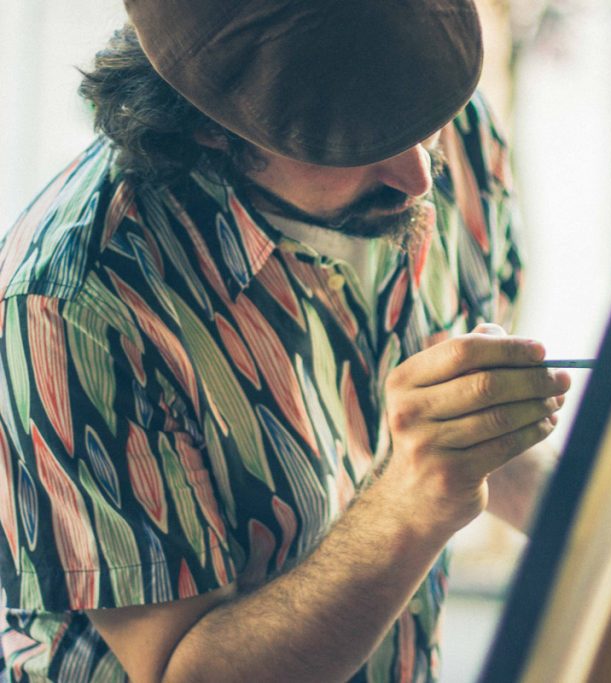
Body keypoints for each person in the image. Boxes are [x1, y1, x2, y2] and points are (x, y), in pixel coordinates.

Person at [0, 1, 569, 681]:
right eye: (358, 141)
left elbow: (472, 449)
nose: (420, 176)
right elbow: (190, 672)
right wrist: (409, 504)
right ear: (211, 131)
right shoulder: (73, 305)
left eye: (421, 122)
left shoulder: (454, 133)